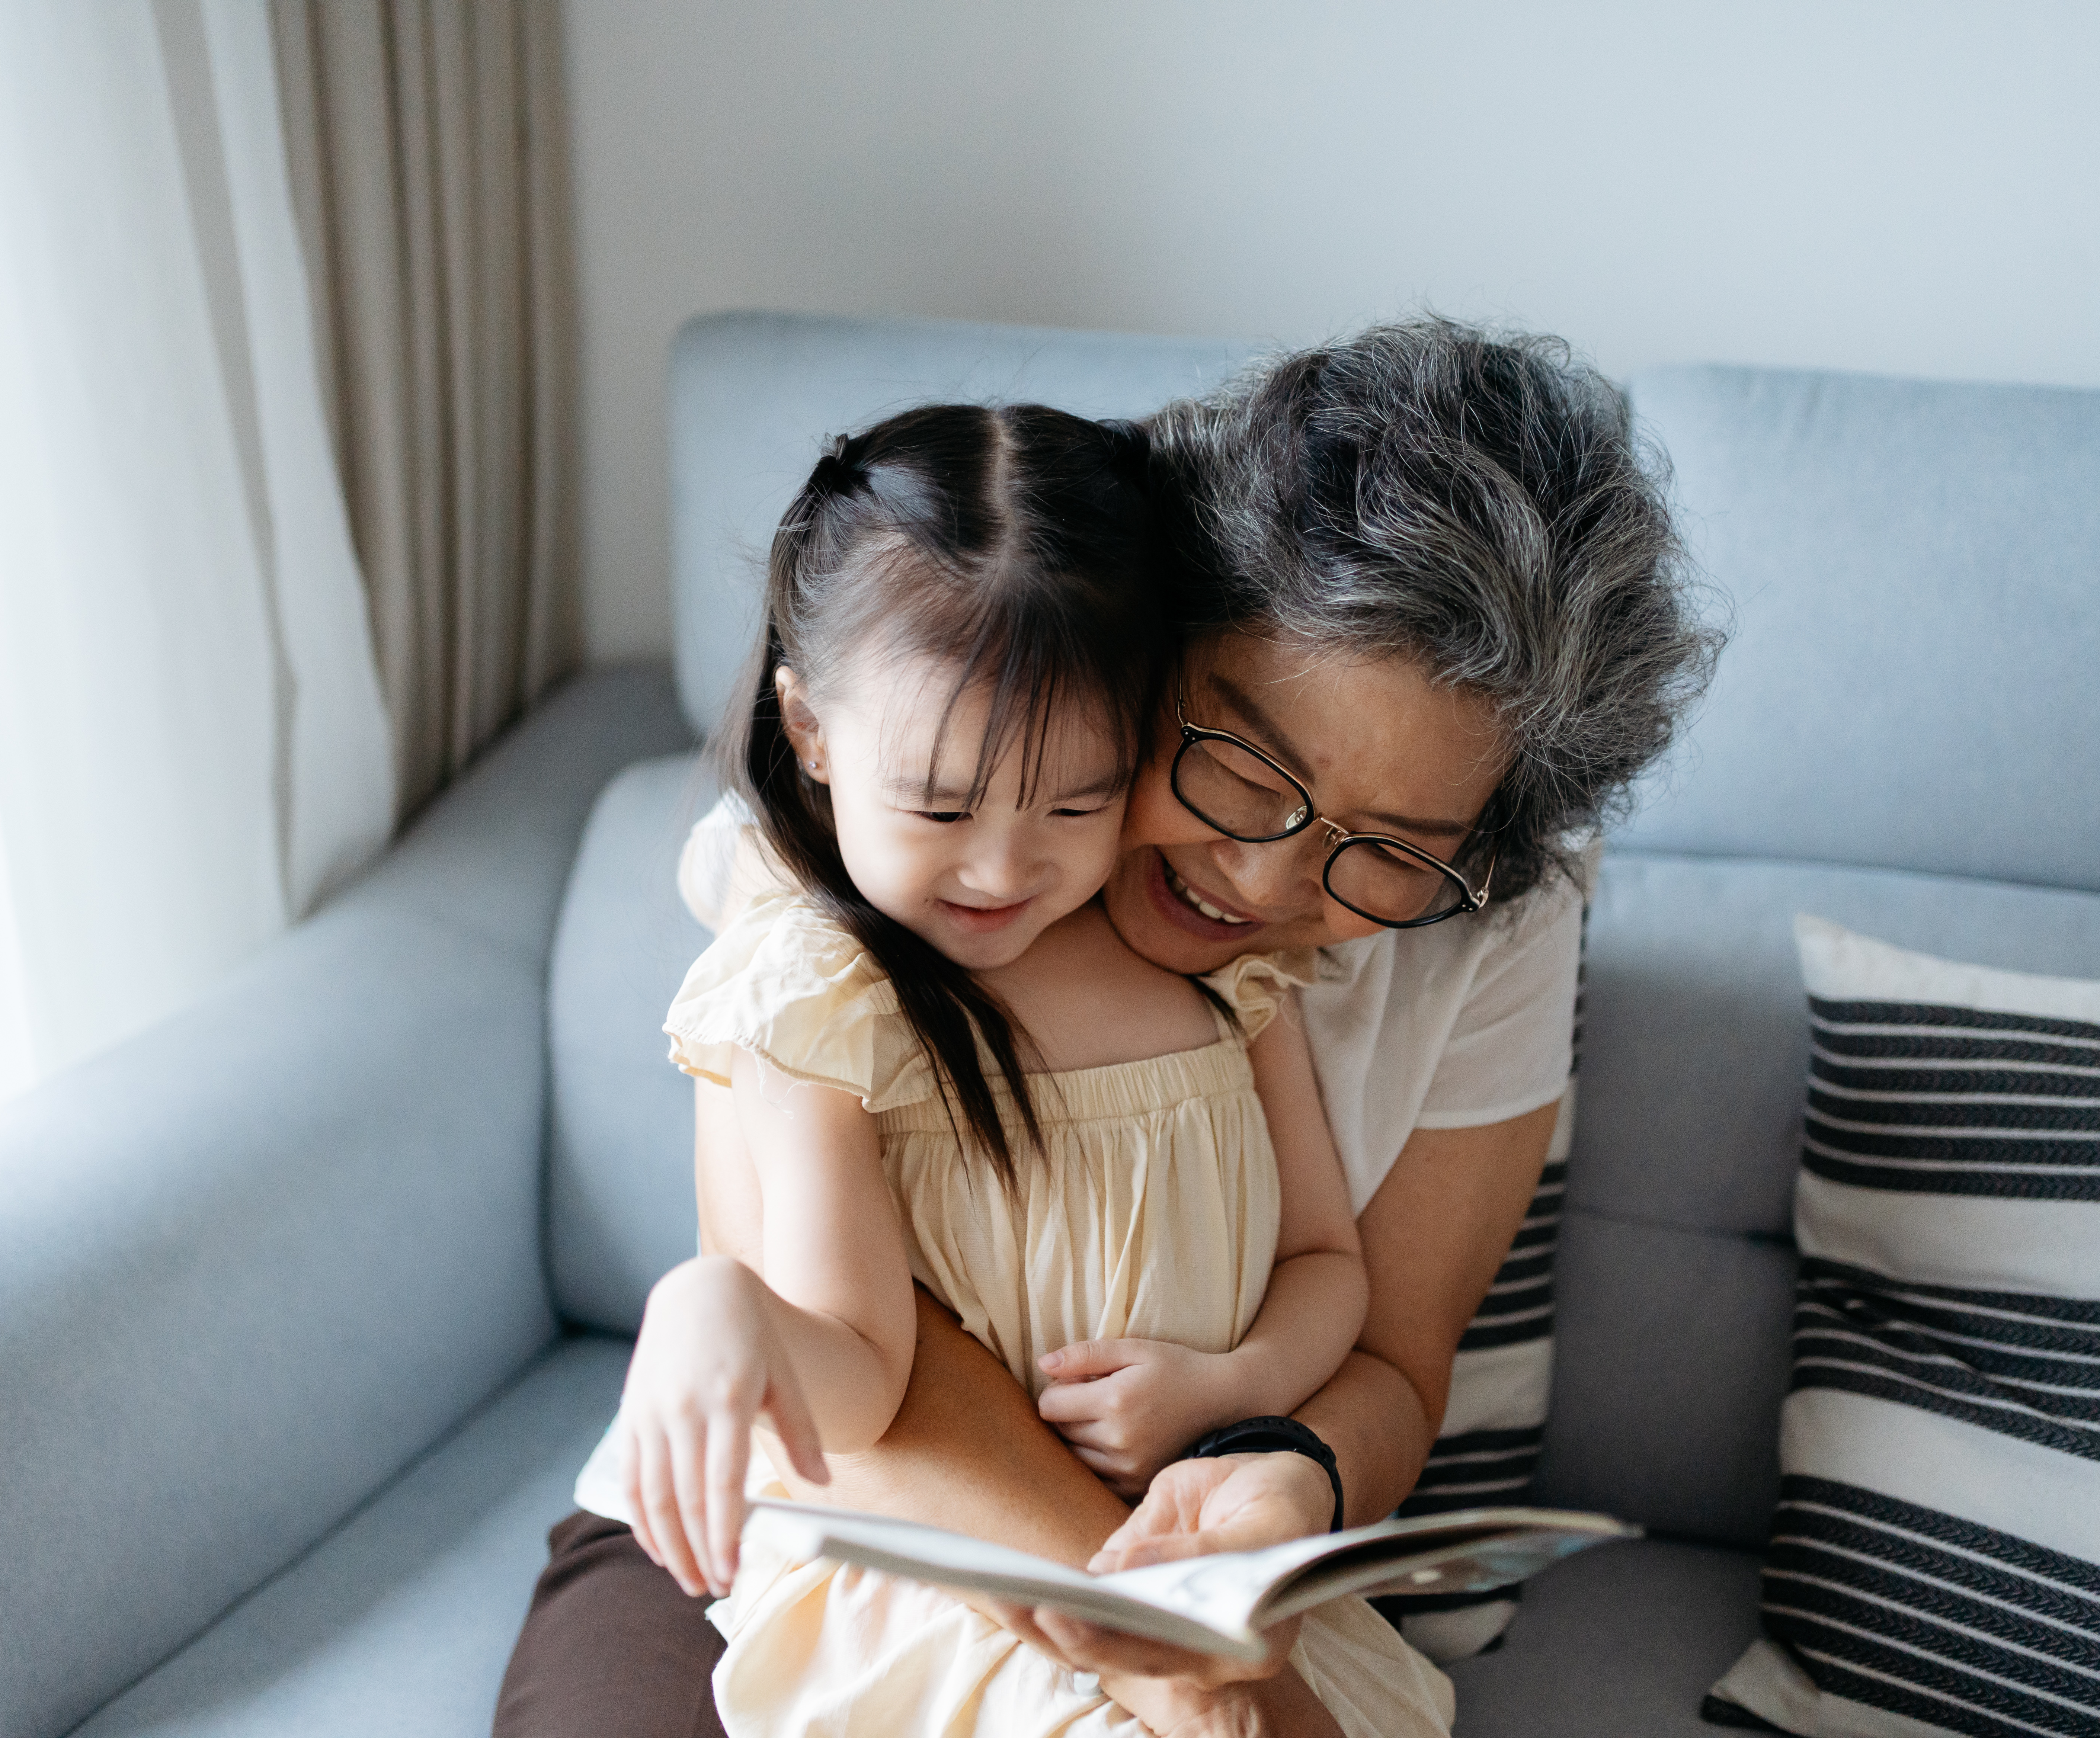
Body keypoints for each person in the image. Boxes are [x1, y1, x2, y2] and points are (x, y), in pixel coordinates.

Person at [493, 320, 1720, 1738]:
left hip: (1197, 1577)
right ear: (1143, 662)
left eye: (1391, 847)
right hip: (810, 1531)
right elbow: (861, 1363)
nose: (1260, 883)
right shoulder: (864, 859)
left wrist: (1290, 1474)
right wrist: (1154, 1652)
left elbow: (1388, 1357)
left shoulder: (1481, 922)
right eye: (1241, 760)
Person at [585, 398, 1456, 1738]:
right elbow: (868, 1378)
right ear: (811, 734)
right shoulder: (821, 1002)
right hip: (943, 1593)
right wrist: (719, 1311)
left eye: (1078, 802)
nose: (1004, 869)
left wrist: (1237, 1392)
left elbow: (1328, 1266)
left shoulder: (1227, 971)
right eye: (940, 807)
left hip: (1198, 1552)